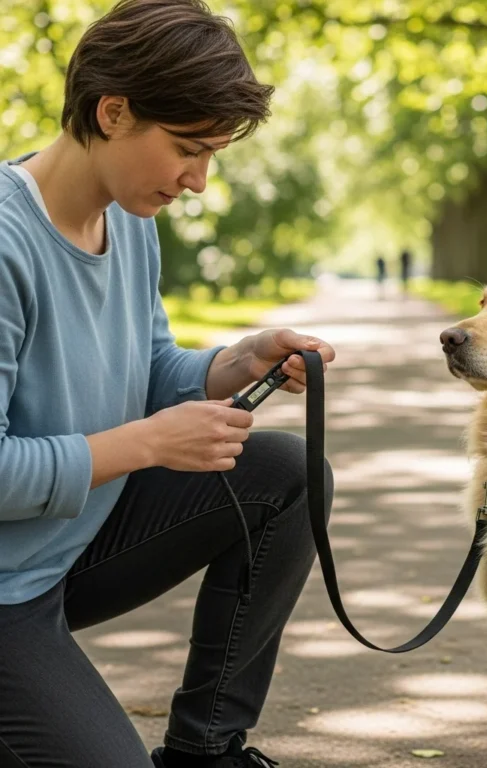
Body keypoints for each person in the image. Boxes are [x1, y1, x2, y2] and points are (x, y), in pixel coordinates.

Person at [0, 1, 336, 767]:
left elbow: (154, 374)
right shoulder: (4, 244)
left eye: (212, 154)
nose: (199, 182)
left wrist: (240, 361)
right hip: (3, 591)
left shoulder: (131, 224)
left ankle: (206, 751)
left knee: (286, 474)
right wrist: (148, 443)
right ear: (112, 112)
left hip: (71, 550)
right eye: (188, 148)